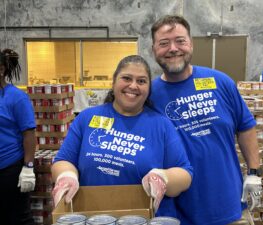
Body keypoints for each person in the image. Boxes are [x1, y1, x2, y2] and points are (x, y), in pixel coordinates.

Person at [150, 15, 262, 225]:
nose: (173, 48)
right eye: (164, 43)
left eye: (180, 41)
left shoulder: (220, 82)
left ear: (191, 44)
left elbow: (245, 126)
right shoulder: (149, 95)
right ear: (153, 49)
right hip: (176, 214)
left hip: (229, 207)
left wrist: (254, 172)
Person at [51, 55, 193, 216]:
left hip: (145, 218)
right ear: (114, 82)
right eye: (126, 78)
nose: (133, 86)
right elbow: (63, 160)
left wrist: (163, 177)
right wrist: (66, 176)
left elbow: (185, 174)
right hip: (92, 216)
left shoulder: (161, 125)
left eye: (141, 81)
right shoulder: (87, 118)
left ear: (148, 88)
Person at [0, 49, 36, 225]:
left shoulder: (16, 98)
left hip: (9, 168)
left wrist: (28, 168)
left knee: (17, 218)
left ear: (1, 70)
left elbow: (29, 134)